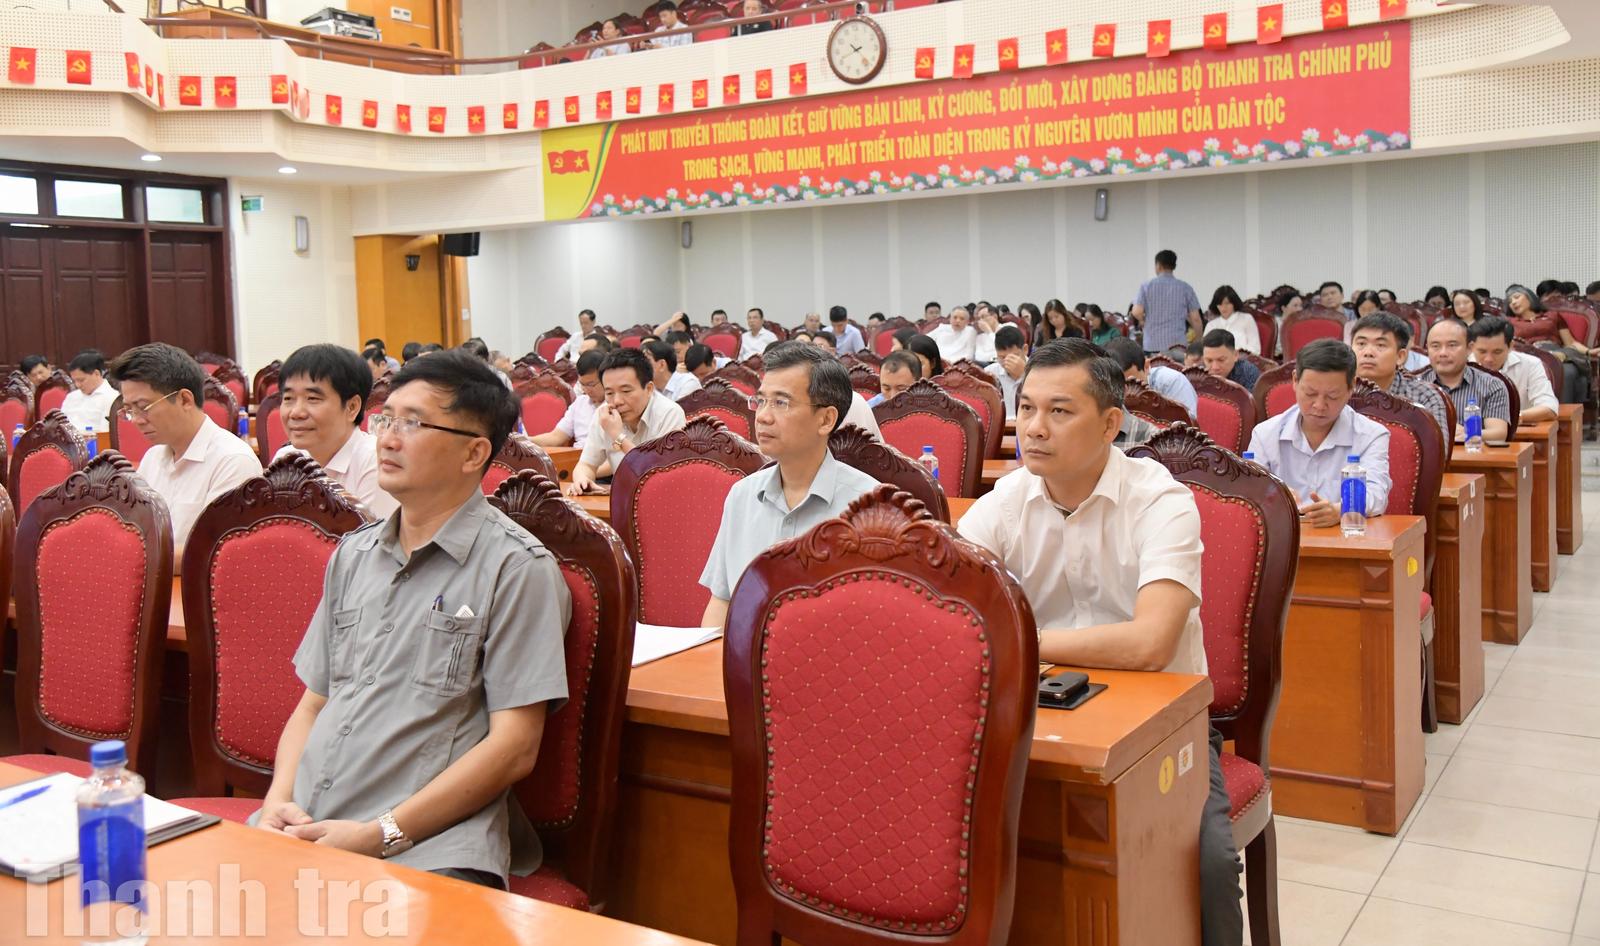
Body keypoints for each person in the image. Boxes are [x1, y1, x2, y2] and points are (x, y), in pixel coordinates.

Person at [955, 338, 1238, 946]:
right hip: (1035, 716)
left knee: (1210, 862)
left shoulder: (1162, 501)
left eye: (1059, 411)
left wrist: (1025, 640)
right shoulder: (1005, 502)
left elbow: (1150, 644)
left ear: (1111, 424)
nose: (1034, 428)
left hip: (1165, 726)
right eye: (1026, 408)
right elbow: (953, 617)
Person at [256, 350, 568, 892]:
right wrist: (278, 801)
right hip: (307, 823)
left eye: (414, 424)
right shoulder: (353, 555)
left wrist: (378, 835)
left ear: (474, 452)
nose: (388, 439)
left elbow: (514, 747)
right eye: (386, 419)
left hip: (425, 847)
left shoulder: (517, 568)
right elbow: (314, 703)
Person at [699, 343, 878, 627]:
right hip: (742, 653)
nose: (762, 416)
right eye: (761, 401)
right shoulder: (742, 496)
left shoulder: (871, 507)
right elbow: (721, 602)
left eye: (781, 403)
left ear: (826, 419)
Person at [107, 343, 262, 552]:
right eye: (129, 410)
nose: (136, 420)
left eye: (143, 407)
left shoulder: (233, 461)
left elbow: (215, 553)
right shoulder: (152, 458)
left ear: (185, 400)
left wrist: (136, 558)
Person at [1246, 339, 1391, 528]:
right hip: (1283, 537)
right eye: (1310, 394)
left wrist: (1341, 510)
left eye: (1332, 396)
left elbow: (1376, 494)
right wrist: (1275, 496)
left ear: (1351, 387)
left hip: (1344, 538)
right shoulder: (1265, 434)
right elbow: (1249, 491)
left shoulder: (1372, 436)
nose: (1319, 405)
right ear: (1295, 381)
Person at [273, 344, 397, 518]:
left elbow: (373, 535)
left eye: (312, 398)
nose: (296, 412)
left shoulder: (377, 463)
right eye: (288, 398)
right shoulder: (286, 459)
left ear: (352, 407)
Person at [568, 348, 687, 495]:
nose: (617, 401)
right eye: (609, 393)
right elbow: (586, 464)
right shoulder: (604, 414)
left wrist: (618, 437)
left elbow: (658, 476)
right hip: (621, 499)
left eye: (626, 391)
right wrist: (582, 480)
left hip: (664, 499)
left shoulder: (670, 414)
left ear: (649, 388)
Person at [1349, 313, 1449, 437]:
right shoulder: (1336, 391)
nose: (1368, 352)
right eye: (1361, 344)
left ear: (1400, 356)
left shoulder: (1424, 396)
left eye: (1380, 345)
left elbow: (1436, 447)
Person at [1419, 318, 1511, 443]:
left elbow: (1498, 433)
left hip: (1472, 454)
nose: (1443, 353)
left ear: (1469, 348)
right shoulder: (1414, 385)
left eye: (1452, 345)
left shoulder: (1491, 385)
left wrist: (1468, 433)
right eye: (1435, 346)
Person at [1505, 283, 1591, 403]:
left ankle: (1565, 412)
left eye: (1516, 297)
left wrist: (1589, 351)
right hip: (1531, 355)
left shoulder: (1552, 316)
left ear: (1529, 296)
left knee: (1569, 371)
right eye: (1510, 301)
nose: (1513, 302)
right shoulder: (1509, 322)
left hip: (1558, 353)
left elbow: (1570, 342)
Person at [1468, 316, 1558, 424]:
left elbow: (1549, 408)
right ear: (1471, 347)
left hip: (1519, 431)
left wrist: (1512, 417)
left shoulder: (1531, 364)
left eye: (1497, 352)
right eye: (1482, 352)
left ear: (1510, 346)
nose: (1489, 359)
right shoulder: (1463, 366)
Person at [1104, 337, 1198, 419]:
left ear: (1146, 366)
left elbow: (1188, 427)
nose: (1126, 391)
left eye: (1132, 383)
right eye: (1117, 385)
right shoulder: (1101, 387)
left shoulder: (1172, 382)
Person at [1130, 250, 1202, 355]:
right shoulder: (1186, 288)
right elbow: (1196, 319)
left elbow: (1136, 311)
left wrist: (1143, 321)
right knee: (1177, 366)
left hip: (1152, 344)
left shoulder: (1146, 286)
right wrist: (1198, 341)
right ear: (1174, 266)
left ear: (1158, 265)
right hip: (1178, 345)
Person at [532, 350, 605, 452]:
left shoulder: (617, 405)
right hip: (577, 456)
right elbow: (556, 437)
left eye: (591, 384)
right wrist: (524, 440)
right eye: (582, 384)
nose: (586, 390)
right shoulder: (580, 403)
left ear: (605, 378)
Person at [62, 349, 118, 433]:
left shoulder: (111, 398)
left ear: (96, 374)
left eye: (81, 380)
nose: (77, 385)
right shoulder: (71, 397)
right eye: (74, 381)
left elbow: (106, 433)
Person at [1202, 286, 1261, 355]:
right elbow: (1204, 350)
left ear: (1234, 303)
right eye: (1220, 304)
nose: (1223, 307)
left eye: (1227, 303)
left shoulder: (1246, 319)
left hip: (1243, 359)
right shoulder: (1211, 325)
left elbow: (1255, 349)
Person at [985, 325, 1027, 418]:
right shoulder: (989, 373)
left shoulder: (1038, 370)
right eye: (1002, 357)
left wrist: (1024, 375)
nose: (1007, 361)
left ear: (1025, 350)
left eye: (1013, 356)